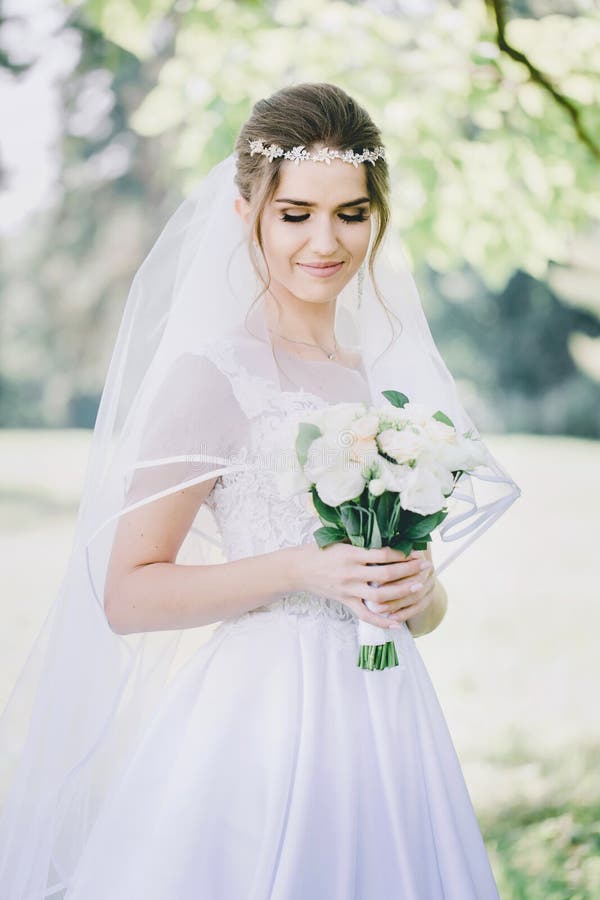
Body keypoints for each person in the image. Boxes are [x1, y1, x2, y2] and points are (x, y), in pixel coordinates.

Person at [0, 82, 520, 899]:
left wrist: (418, 588)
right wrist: (299, 569)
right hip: (264, 723)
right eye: (296, 213)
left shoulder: (382, 383)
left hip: (388, 720)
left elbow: (421, 612)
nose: (327, 240)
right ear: (246, 213)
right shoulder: (215, 376)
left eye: (352, 213)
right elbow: (127, 594)